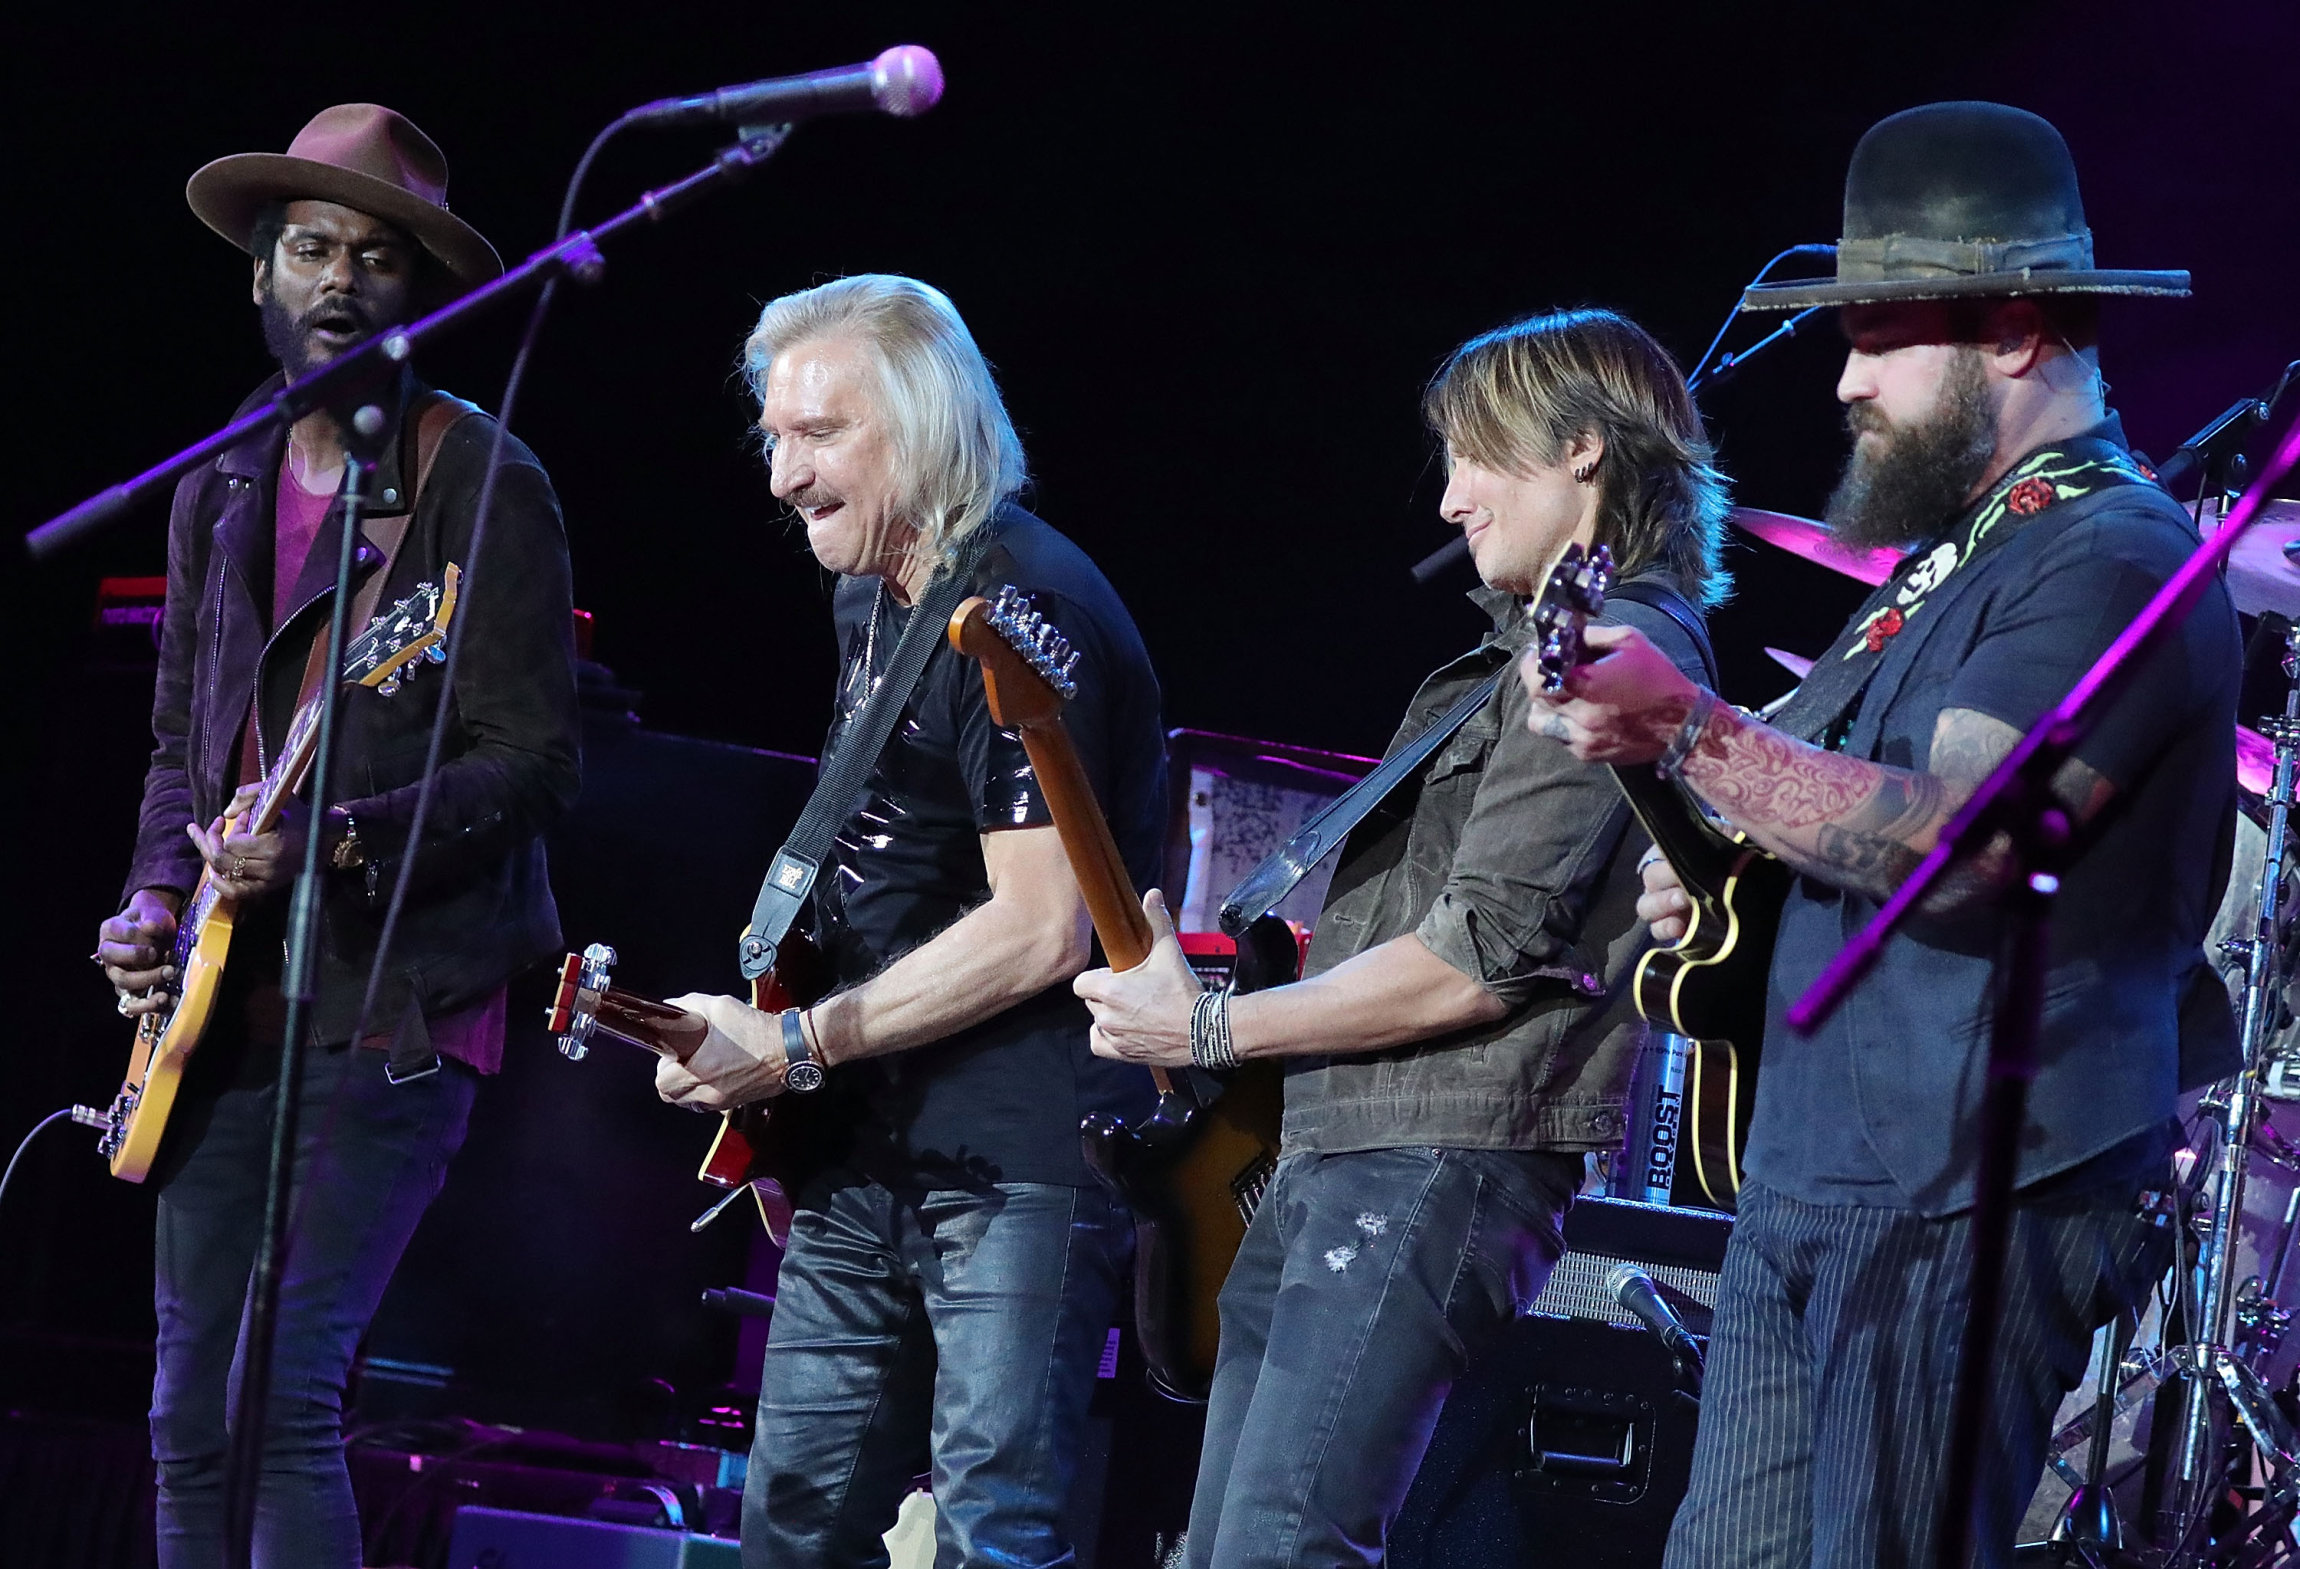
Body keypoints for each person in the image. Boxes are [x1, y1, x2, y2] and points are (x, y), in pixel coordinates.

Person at [1527, 102, 2233, 1565]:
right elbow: (1841, 825)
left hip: (1969, 1184)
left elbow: (1971, 848)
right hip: (1816, 1176)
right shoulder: (1945, 563)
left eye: (1876, 334)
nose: (1842, 378)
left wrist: (1695, 733)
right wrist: (1727, 872)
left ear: (2017, 332)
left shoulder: (2115, 552)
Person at [1075, 307, 1731, 1567]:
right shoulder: (1507, 665)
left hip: (1440, 1152)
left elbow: (1476, 959)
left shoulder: (1617, 647)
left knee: (1283, 1548)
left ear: (1584, 450)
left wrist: (1209, 1023)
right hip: (1345, 1142)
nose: (1447, 499)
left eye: (1476, 455)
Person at [91, 105, 580, 1567]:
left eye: (375, 255)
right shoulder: (220, 482)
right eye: (308, 247)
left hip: (395, 1010)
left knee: (275, 1398)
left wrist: (341, 841)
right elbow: (183, 748)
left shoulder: (477, 480)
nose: (338, 280)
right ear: (260, 274)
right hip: (223, 1008)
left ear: (418, 289)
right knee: (185, 1411)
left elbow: (537, 762)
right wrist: (153, 898)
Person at [653, 275, 1166, 1568]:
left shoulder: (1023, 607)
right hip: (861, 1147)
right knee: (792, 1526)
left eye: (818, 435)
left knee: (997, 1530)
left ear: (927, 427)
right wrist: (781, 1074)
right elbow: (886, 869)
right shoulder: (872, 596)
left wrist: (804, 1047)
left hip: (1016, 1162)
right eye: (772, 436)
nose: (781, 475)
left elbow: (1043, 924)